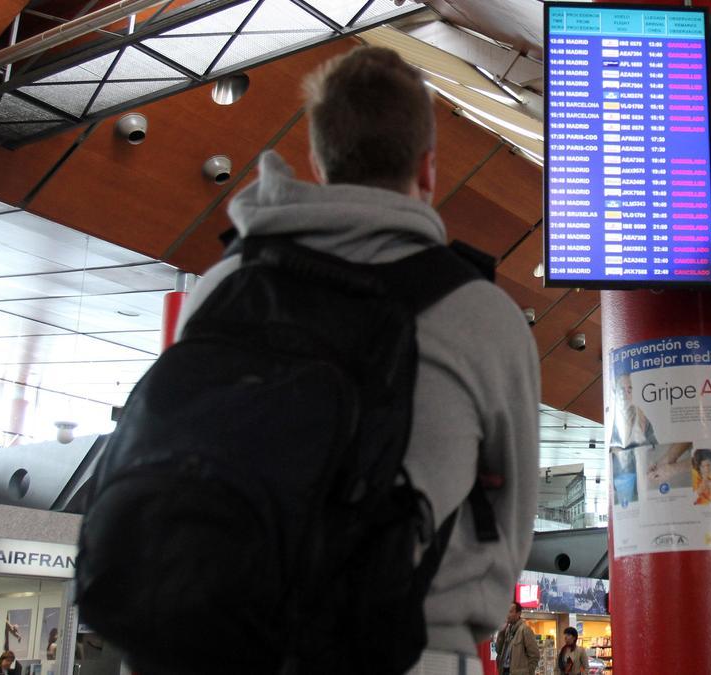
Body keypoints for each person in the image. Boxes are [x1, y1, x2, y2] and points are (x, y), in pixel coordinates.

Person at [175, 46, 540, 673]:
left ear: (318, 163)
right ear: (428, 171)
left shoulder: (221, 288)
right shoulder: (482, 315)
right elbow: (510, 527)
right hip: (413, 650)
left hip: (229, 643)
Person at [607, 373, 657, 450]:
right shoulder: (611, 416)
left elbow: (654, 444)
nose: (625, 395)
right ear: (615, 392)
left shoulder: (641, 417)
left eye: (629, 390)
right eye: (622, 390)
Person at [495, 602, 540, 675]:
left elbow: (535, 655)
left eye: (510, 612)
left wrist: (528, 672)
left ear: (518, 614)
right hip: (504, 671)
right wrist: (501, 633)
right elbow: (498, 650)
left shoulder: (525, 630)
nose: (508, 615)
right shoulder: (507, 630)